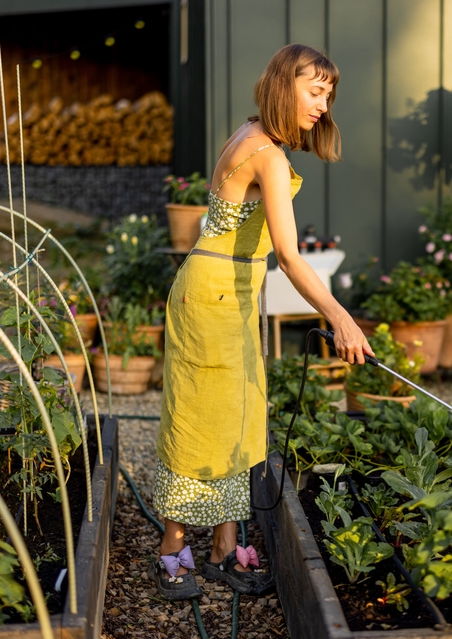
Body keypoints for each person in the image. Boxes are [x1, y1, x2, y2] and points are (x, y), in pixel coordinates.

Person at [151, 44, 374, 599]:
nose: (324, 105)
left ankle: (225, 547)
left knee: (241, 416)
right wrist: (340, 317)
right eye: (315, 91)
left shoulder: (253, 133)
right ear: (284, 86)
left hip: (230, 289)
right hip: (215, 294)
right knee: (202, 417)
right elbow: (291, 256)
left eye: (329, 94)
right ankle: (170, 549)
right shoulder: (266, 155)